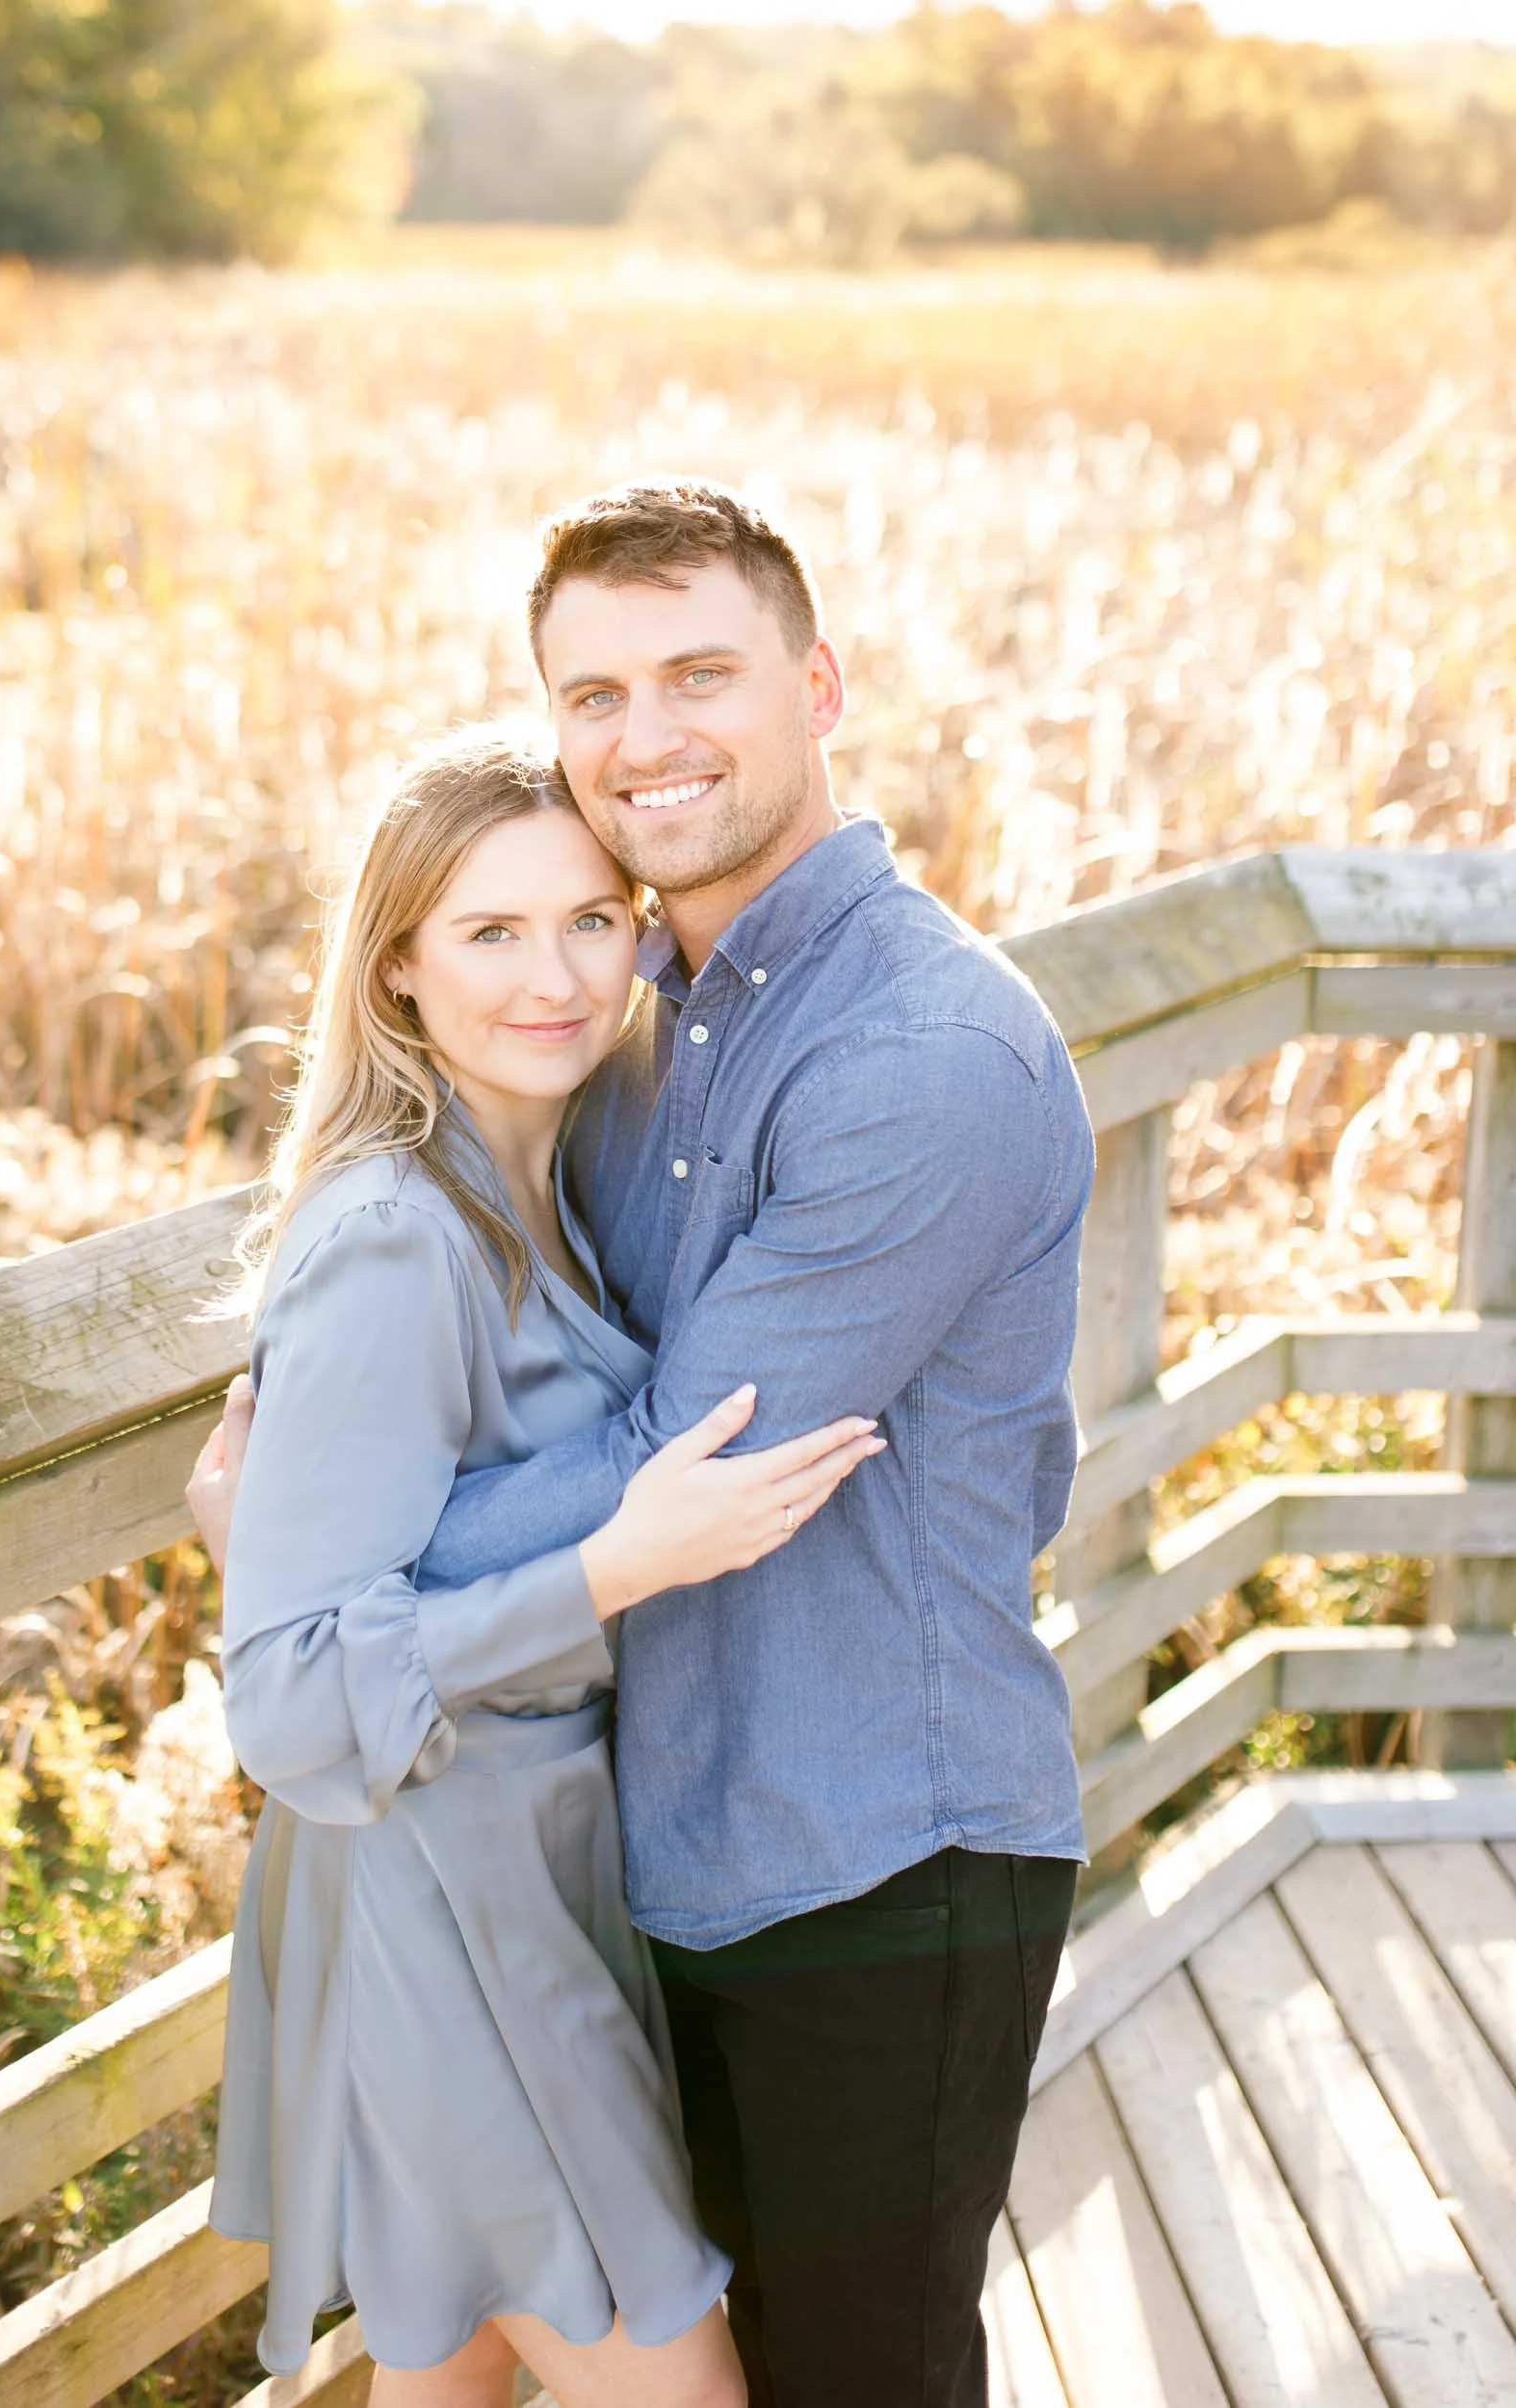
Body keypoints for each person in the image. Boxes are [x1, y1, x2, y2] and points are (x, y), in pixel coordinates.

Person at [193, 481, 1095, 2408]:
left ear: (817, 683)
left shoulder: (913, 1049)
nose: (644, 732)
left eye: (699, 669)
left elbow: (698, 1455)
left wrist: (321, 1553)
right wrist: (323, 1559)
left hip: (877, 1853)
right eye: (591, 690)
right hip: (640, 1861)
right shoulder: (629, 1031)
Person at [198, 729, 882, 2408]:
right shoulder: (391, 1239)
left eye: (591, 919)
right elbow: (287, 1702)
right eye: (490, 934)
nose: (557, 976)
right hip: (442, 1897)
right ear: (401, 971)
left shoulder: (548, 1183)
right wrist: (611, 1567)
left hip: (530, 1870)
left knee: (452, 2372)